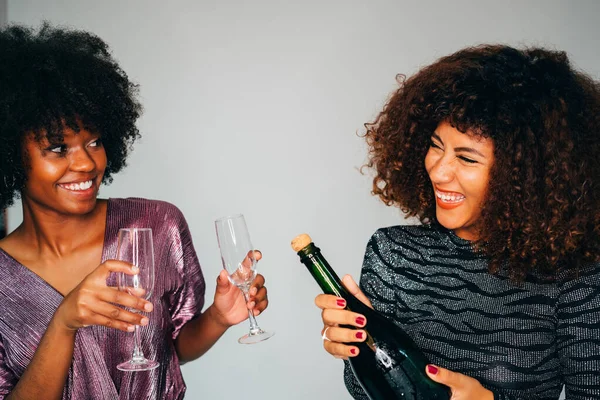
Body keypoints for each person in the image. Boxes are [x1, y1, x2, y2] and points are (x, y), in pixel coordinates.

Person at [0, 23, 269, 399]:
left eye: (93, 141)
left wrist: (218, 318)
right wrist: (63, 323)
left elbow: (172, 350)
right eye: (59, 148)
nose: (87, 164)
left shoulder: (156, 225)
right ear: (10, 155)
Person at [315, 44, 600, 399]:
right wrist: (354, 345)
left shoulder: (574, 278)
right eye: (436, 146)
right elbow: (367, 390)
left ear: (526, 176)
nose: (438, 170)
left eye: (466, 158)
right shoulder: (393, 253)